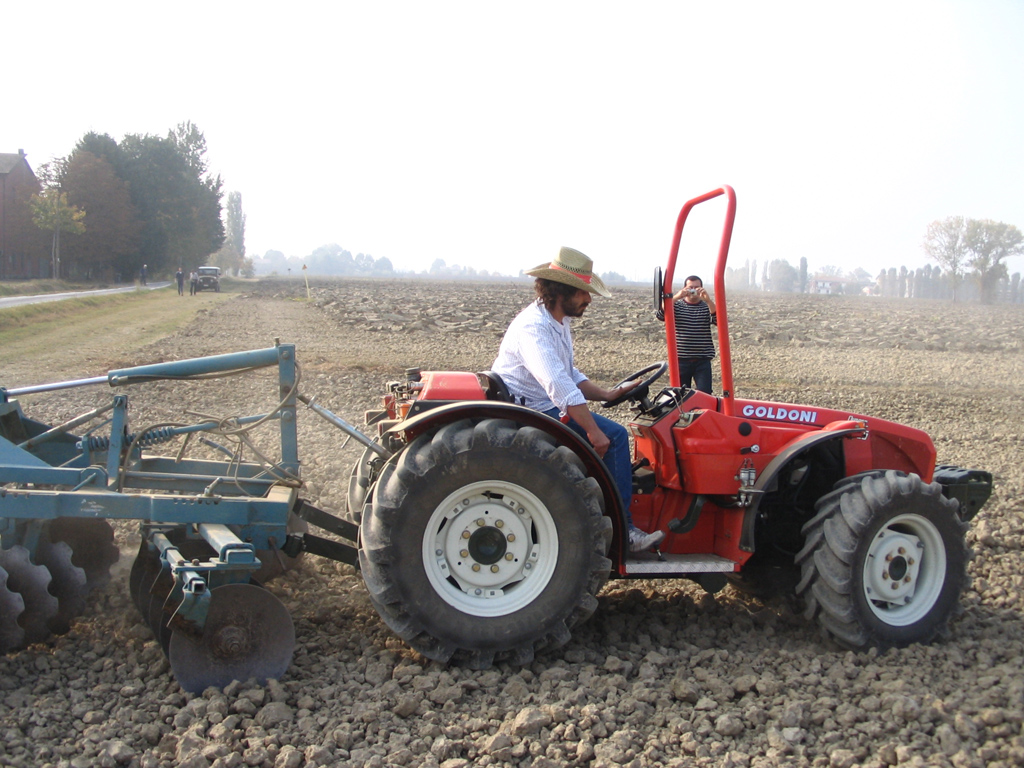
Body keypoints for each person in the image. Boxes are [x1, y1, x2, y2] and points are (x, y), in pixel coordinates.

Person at [491, 247, 666, 553]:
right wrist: (593, 432)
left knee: (607, 432)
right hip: (529, 409)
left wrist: (607, 394)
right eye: (583, 292)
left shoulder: (556, 321)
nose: (588, 300)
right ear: (561, 291)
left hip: (540, 404)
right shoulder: (533, 327)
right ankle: (625, 532)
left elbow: (567, 371)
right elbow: (557, 384)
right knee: (613, 436)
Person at [656, 275, 717, 393]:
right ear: (685, 288)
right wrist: (676, 297)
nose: (693, 290)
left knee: (705, 393)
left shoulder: (706, 307)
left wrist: (708, 300)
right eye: (690, 287)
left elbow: (718, 321)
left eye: (697, 287)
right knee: (681, 395)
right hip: (680, 359)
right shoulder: (677, 306)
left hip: (702, 360)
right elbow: (661, 315)